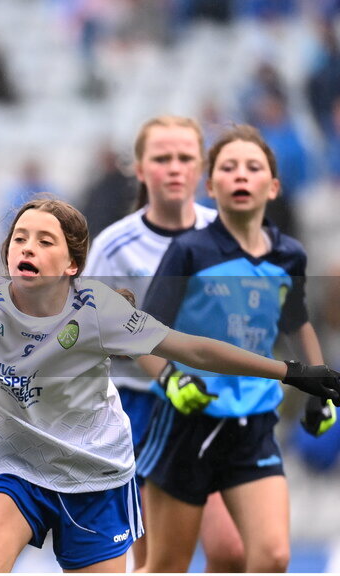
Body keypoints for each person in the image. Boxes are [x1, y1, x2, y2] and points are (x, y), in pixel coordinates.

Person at [0, 197, 340, 573]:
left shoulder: (100, 311)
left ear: (72, 264)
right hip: (16, 472)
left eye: (44, 240)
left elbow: (194, 349)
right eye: (20, 238)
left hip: (94, 477)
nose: (27, 247)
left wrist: (292, 372)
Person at [135, 125, 334, 573]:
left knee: (273, 557)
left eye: (253, 167)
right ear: (211, 186)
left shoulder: (290, 257)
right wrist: (170, 379)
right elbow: (141, 334)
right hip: (187, 423)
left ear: (273, 185)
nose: (241, 175)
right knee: (166, 565)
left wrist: (320, 392)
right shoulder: (189, 252)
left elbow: (297, 321)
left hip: (254, 423)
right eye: (228, 167)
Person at [81, 115, 236, 570]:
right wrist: (166, 374)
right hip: (142, 410)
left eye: (185, 158)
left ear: (202, 168)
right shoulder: (114, 245)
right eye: (162, 158)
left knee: (232, 551)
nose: (174, 168)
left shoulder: (225, 235)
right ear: (141, 169)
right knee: (156, 559)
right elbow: (98, 330)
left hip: (214, 403)